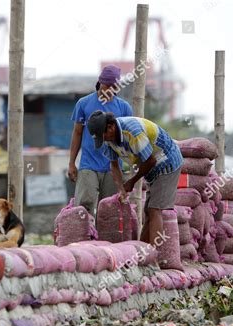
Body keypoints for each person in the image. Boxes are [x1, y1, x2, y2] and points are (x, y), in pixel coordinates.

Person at [86, 110, 183, 247]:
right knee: (148, 212)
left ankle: (155, 255)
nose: (105, 140)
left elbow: (151, 161)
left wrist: (131, 181)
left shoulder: (132, 132)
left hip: (166, 162)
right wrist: (121, 188)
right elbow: (114, 165)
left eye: (104, 136)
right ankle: (142, 254)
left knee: (155, 209)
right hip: (151, 168)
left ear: (111, 127)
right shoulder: (108, 140)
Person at [68, 65, 133, 215]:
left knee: (110, 211)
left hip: (114, 167)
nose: (108, 89)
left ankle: (105, 239)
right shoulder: (83, 104)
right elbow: (77, 133)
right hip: (88, 164)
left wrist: (130, 167)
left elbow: (127, 139)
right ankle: (85, 237)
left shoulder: (124, 108)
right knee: (84, 206)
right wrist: (72, 162)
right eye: (106, 85)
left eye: (112, 86)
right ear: (99, 82)